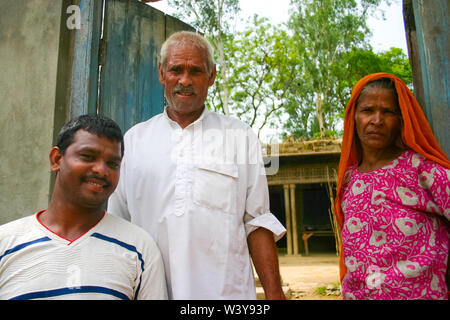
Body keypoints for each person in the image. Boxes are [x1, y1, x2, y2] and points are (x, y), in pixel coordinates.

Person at [107, 31, 286, 300]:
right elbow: (117, 225)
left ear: (212, 76)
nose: (185, 80)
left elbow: (257, 222)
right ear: (161, 73)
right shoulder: (134, 140)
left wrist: (275, 293)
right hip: (150, 293)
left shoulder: (240, 137)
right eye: (176, 70)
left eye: (196, 71)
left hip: (226, 294)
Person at [0, 114, 167, 300]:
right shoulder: (6, 243)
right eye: (87, 157)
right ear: (56, 159)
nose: (101, 170)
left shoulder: (139, 249)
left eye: (112, 164)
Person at [334, 72, 450, 300]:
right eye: (367, 111)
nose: (376, 120)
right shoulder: (349, 180)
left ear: (401, 120)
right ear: (353, 117)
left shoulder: (423, 171)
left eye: (387, 112)